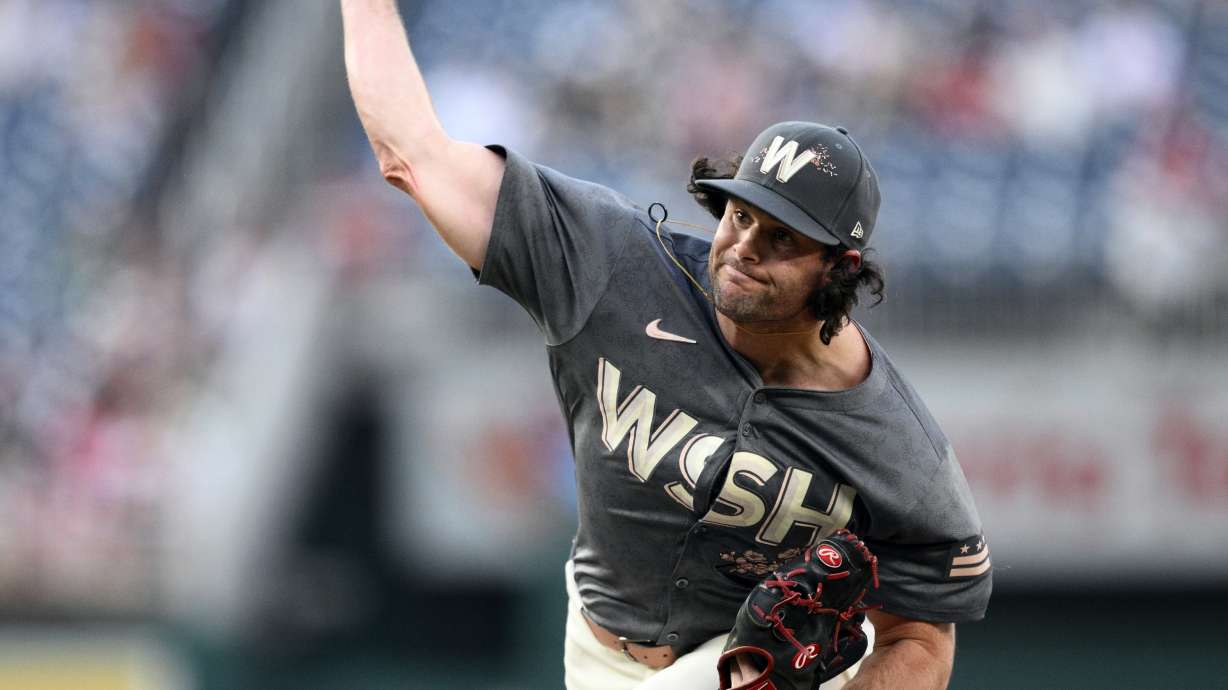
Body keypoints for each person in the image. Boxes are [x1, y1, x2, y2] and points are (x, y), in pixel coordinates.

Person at [340, 2, 992, 688]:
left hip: (751, 666)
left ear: (840, 271)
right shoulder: (611, 263)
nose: (743, 248)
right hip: (595, 650)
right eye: (741, 216)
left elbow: (920, 637)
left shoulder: (896, 443)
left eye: (781, 240)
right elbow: (412, 154)